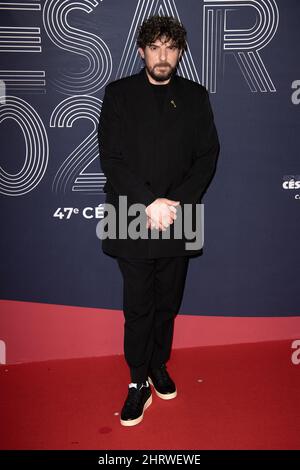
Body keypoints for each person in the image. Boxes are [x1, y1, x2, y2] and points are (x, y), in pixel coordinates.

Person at [98, 15, 220, 426]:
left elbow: (207, 157)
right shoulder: (117, 94)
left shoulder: (197, 96)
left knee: (168, 303)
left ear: (180, 52)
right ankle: (136, 382)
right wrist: (150, 202)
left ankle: (157, 366)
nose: (162, 56)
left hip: (180, 214)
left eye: (171, 48)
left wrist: (176, 202)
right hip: (130, 212)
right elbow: (111, 159)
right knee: (138, 306)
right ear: (141, 51)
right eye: (155, 47)